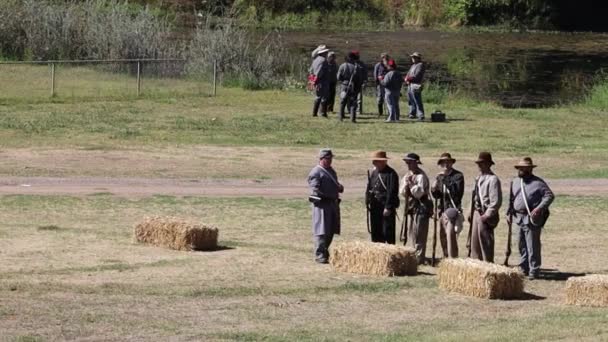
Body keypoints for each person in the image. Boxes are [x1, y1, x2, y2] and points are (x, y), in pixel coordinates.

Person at [506, 157, 554, 279]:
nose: (521, 170)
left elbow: (549, 196)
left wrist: (538, 209)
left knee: (532, 246)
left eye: (523, 168)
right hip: (518, 217)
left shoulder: (538, 183)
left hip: (532, 219)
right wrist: (508, 212)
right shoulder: (516, 181)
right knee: (521, 244)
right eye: (520, 168)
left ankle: (534, 270)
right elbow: (511, 199)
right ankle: (524, 267)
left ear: (529, 169)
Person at [307, 148, 344, 263]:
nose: (330, 161)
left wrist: (338, 187)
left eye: (331, 158)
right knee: (321, 231)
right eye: (327, 159)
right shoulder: (315, 172)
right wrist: (327, 195)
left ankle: (325, 252)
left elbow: (334, 183)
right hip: (322, 205)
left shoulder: (331, 171)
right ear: (321, 159)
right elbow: (315, 189)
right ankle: (320, 255)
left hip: (332, 204)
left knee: (331, 230)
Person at [469, 152, 502, 263]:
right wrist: (471, 212)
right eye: (479, 163)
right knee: (474, 244)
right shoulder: (478, 178)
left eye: (482, 163)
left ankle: (487, 265)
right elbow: (474, 197)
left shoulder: (493, 180)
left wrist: (487, 215)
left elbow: (495, 202)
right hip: (477, 213)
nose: (479, 165)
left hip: (485, 214)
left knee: (485, 244)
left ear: (488, 164)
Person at [431, 153, 465, 258]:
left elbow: (457, 193)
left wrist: (444, 178)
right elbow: (437, 196)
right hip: (442, 211)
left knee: (451, 237)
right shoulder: (439, 177)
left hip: (452, 211)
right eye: (443, 162)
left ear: (451, 163)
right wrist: (433, 189)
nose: (445, 164)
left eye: (447, 162)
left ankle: (452, 259)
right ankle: (446, 258)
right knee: (443, 237)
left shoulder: (458, 176)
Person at [400, 153, 431, 264]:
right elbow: (402, 192)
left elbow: (419, 193)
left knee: (420, 234)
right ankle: (414, 256)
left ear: (416, 163)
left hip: (421, 208)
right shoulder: (408, 175)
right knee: (412, 233)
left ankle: (419, 259)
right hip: (412, 208)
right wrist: (407, 184)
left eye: (410, 162)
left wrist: (412, 185)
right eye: (407, 162)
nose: (408, 165)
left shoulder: (421, 176)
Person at [366, 151, 400, 244]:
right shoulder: (374, 173)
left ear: (384, 161)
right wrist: (368, 201)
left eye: (376, 161)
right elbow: (370, 188)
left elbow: (392, 192)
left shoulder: (391, 174)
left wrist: (388, 207)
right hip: (375, 206)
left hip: (385, 207)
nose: (374, 163)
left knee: (387, 232)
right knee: (376, 231)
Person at [337, 52, 362, 123]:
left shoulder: (342, 66)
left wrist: (343, 81)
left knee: (342, 102)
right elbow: (359, 79)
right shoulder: (357, 67)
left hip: (344, 85)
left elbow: (338, 77)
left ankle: (341, 117)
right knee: (352, 102)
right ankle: (352, 119)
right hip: (353, 86)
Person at [309, 46, 330, 117]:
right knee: (324, 97)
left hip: (317, 80)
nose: (327, 53)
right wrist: (317, 80)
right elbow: (319, 72)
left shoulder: (315, 60)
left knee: (318, 97)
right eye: (326, 52)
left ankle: (314, 113)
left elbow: (311, 70)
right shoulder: (323, 60)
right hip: (322, 81)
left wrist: (313, 81)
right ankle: (323, 113)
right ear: (323, 53)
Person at [405, 52, 426, 121]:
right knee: (410, 100)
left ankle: (421, 115)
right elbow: (408, 74)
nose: (412, 58)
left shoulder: (421, 65)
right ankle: (412, 113)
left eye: (414, 57)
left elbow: (417, 75)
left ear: (418, 58)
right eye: (412, 57)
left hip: (416, 85)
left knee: (417, 100)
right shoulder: (413, 65)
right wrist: (406, 78)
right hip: (410, 85)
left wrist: (408, 79)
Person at [352, 51, 368, 116]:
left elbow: (365, 73)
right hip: (351, 83)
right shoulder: (351, 63)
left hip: (359, 83)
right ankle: (351, 110)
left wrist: (365, 82)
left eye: (357, 55)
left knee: (359, 98)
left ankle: (358, 111)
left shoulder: (362, 64)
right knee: (351, 97)